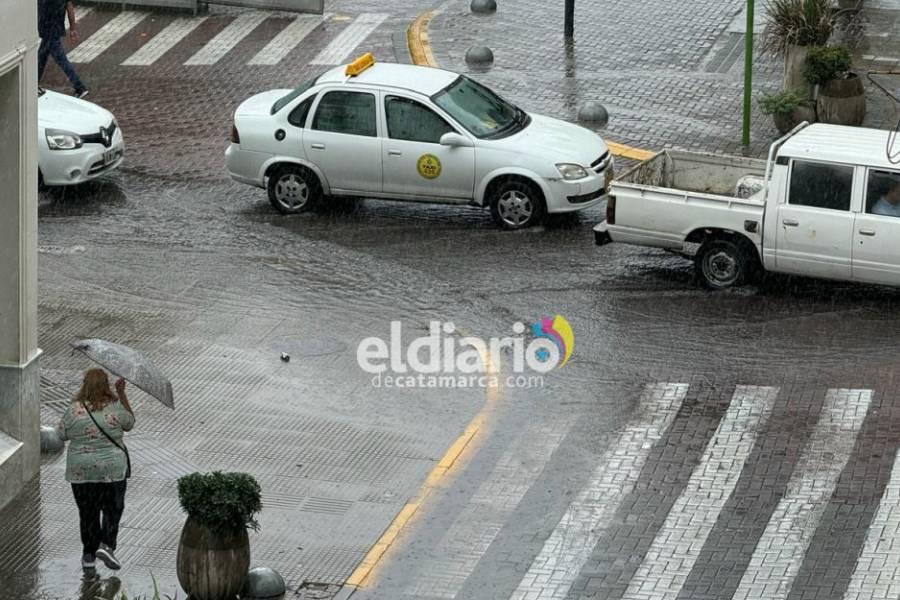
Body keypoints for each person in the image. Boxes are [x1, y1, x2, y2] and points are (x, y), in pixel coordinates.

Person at [58, 368, 134, 571]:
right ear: (106, 385)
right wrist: (122, 394)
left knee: (87, 512)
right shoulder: (115, 407)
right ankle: (107, 545)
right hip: (112, 471)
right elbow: (129, 423)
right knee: (112, 509)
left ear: (84, 384)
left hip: (82, 473)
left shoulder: (74, 409)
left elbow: (61, 434)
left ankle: (89, 555)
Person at [38, 0, 89, 98]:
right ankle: (34, 84)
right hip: (53, 29)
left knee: (61, 60)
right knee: (41, 57)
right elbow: (69, 6)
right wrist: (73, 28)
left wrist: (73, 29)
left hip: (49, 30)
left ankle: (80, 87)